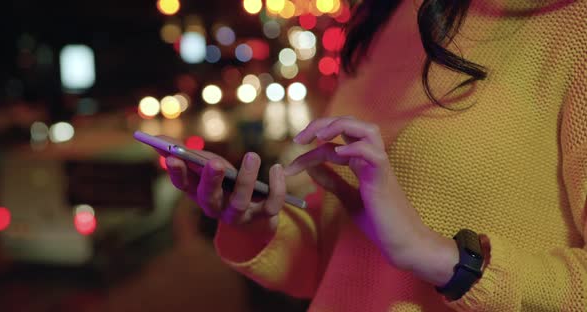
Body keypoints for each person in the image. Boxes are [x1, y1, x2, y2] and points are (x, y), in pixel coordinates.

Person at [160, 0, 587, 310]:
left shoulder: (573, 26)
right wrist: (259, 225)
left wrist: (448, 261)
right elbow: (340, 265)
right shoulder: (381, 17)